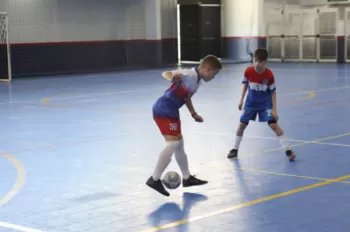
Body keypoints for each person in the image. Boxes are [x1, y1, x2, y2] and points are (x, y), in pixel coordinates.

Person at [146, 55, 222, 196]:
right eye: (214, 73)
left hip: (172, 111)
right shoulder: (190, 74)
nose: (214, 77)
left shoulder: (198, 80)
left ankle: (187, 178)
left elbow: (186, 98)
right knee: (172, 144)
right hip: (163, 109)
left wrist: (194, 114)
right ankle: (154, 179)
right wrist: (172, 78)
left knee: (179, 143)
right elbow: (166, 73)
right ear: (207, 69)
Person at [227, 48, 296, 161]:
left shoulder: (269, 75)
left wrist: (274, 109)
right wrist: (241, 100)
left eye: (260, 61)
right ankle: (235, 149)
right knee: (242, 125)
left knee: (273, 125)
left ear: (265, 62)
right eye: (255, 60)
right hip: (250, 103)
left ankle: (288, 150)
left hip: (265, 104)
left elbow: (273, 92)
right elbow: (245, 85)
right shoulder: (248, 71)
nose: (257, 64)